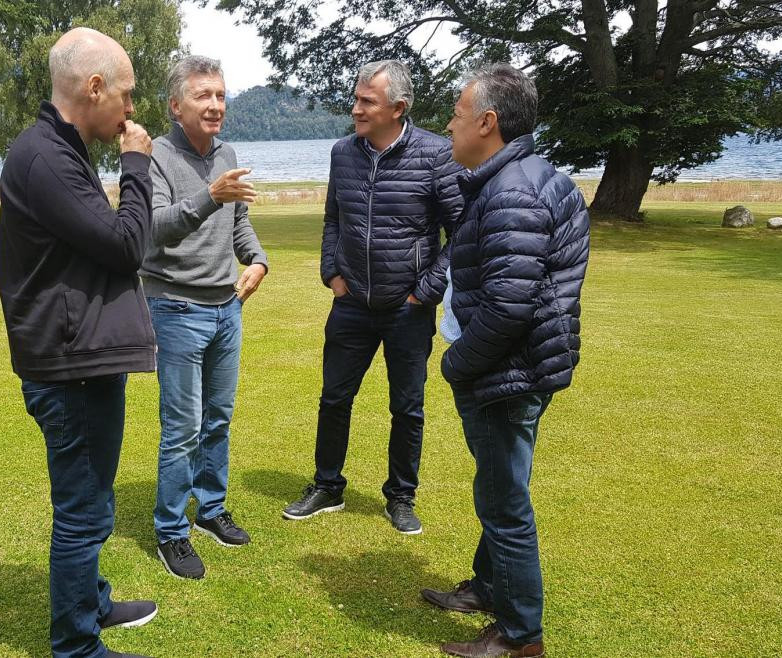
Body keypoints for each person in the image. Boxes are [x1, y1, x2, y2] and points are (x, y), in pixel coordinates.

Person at [0, 27, 159, 658]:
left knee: (93, 499)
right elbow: (125, 245)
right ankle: (77, 647)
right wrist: (138, 164)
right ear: (94, 87)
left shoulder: (59, 151)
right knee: (84, 511)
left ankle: (90, 602)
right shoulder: (45, 159)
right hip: (69, 366)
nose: (129, 109)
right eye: (125, 94)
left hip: (78, 356)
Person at [420, 63, 590, 658]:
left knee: (504, 502)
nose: (448, 126)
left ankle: (520, 638)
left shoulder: (511, 191)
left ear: (488, 122)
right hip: (521, 368)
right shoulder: (523, 178)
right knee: (500, 484)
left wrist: (456, 362)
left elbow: (509, 306)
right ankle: (489, 588)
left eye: (458, 115)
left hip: (504, 374)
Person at [283, 59, 464, 535]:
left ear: (397, 108)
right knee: (334, 398)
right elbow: (333, 219)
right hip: (351, 304)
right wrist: (332, 275)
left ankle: (401, 497)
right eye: (357, 98)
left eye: (366, 101)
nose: (355, 108)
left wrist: (425, 291)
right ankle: (327, 486)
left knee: (407, 406)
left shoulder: (436, 155)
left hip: (407, 310)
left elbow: (462, 231)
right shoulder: (343, 152)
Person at [142, 55, 269, 580]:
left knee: (218, 419)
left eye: (220, 95)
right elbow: (154, 228)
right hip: (175, 309)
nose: (215, 105)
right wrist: (209, 196)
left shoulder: (228, 154)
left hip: (226, 310)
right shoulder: (156, 156)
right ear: (176, 105)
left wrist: (259, 260)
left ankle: (210, 510)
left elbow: (240, 227)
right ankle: (172, 531)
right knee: (182, 430)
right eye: (203, 95)